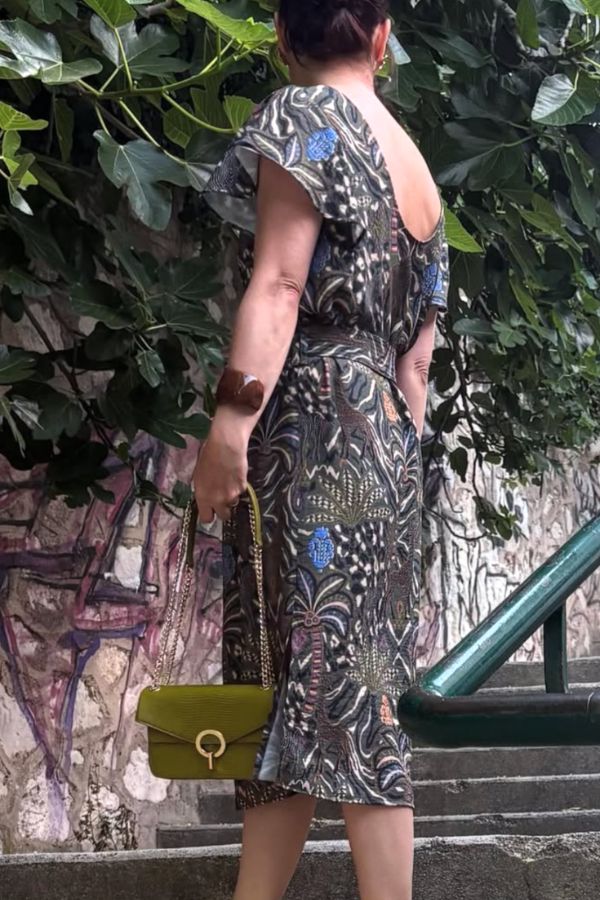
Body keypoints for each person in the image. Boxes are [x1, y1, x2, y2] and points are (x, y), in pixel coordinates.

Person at [193, 1, 450, 897]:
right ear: (382, 39)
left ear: (281, 36)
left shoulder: (303, 116)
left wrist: (231, 425)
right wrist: (389, 466)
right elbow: (417, 362)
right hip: (385, 441)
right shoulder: (418, 169)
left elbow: (278, 283)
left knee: (298, 676)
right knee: (344, 690)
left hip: (311, 428)